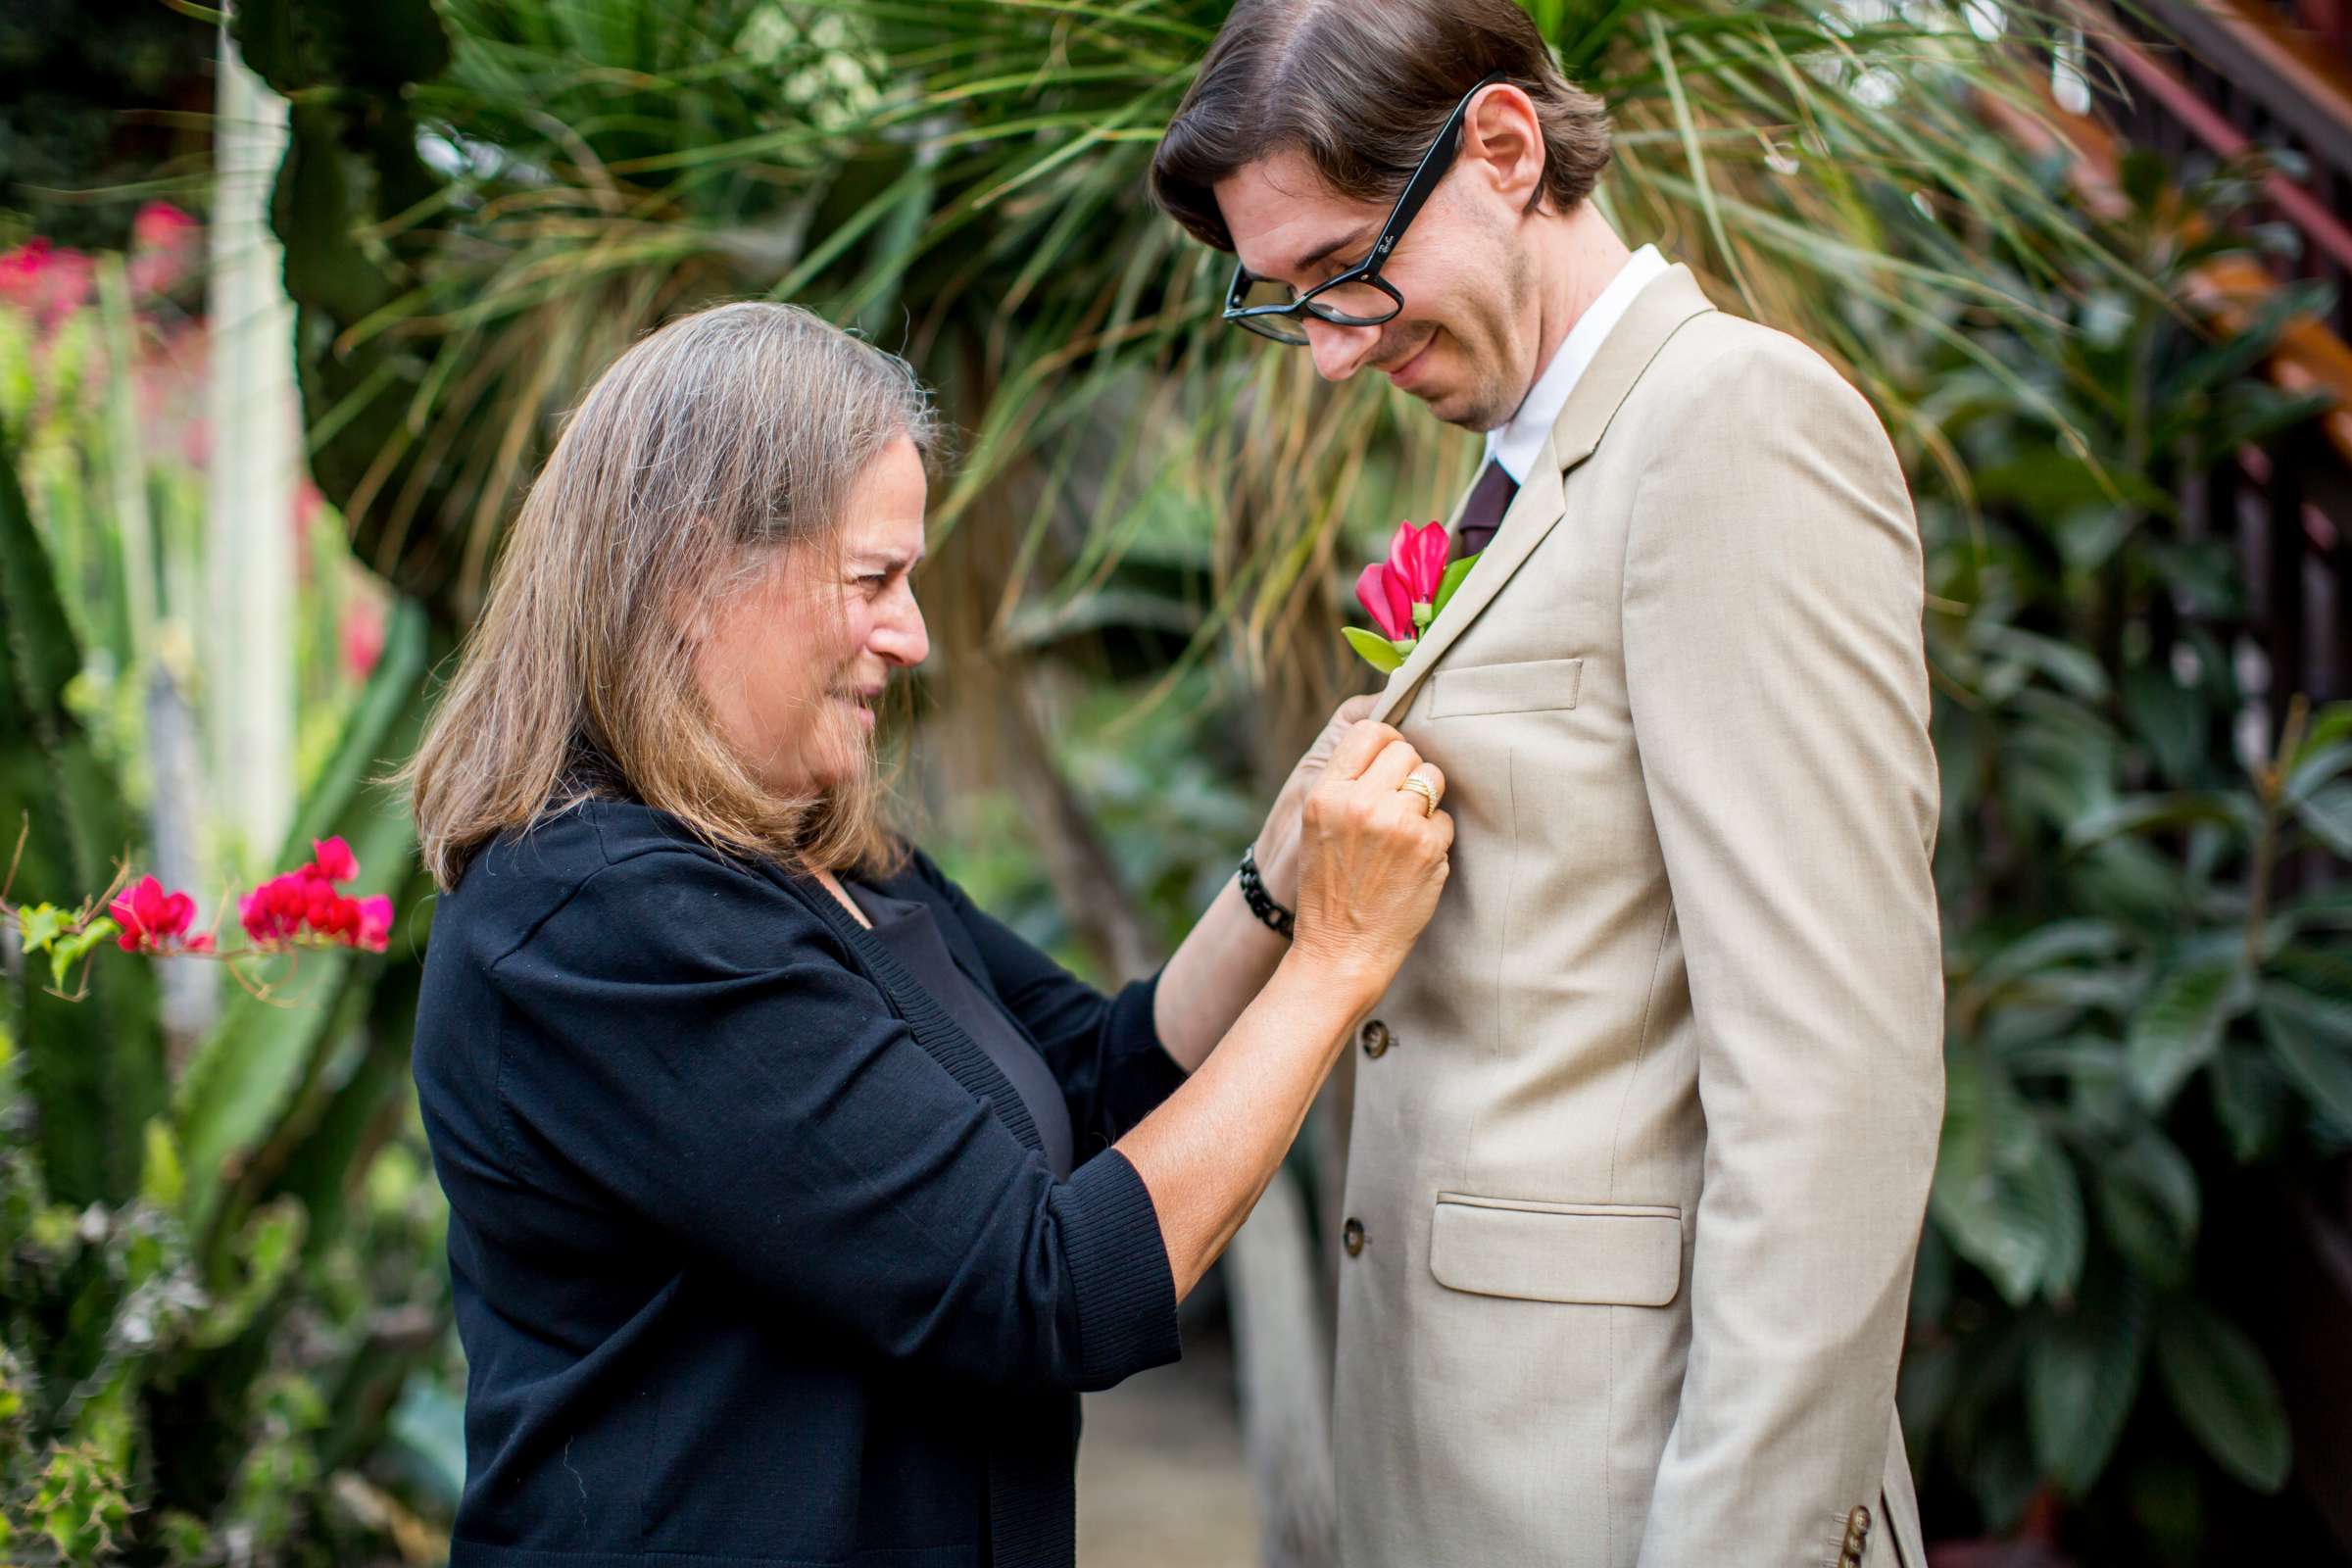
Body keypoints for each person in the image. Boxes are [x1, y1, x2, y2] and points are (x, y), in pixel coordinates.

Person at [404, 301, 1454, 1568]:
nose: (911, 634)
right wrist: (1337, 961)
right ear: (692, 575)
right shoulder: (605, 920)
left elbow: (1103, 1081)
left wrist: (1279, 881)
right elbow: (1043, 1287)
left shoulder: (820, 853)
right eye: (873, 580)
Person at [1151, 3, 1946, 1565]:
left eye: (1345, 272)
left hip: (1635, 1497)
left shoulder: (1735, 429)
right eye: (1286, 303)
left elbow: (1832, 1091)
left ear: (1504, 150)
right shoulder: (1539, 458)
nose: (1330, 352)